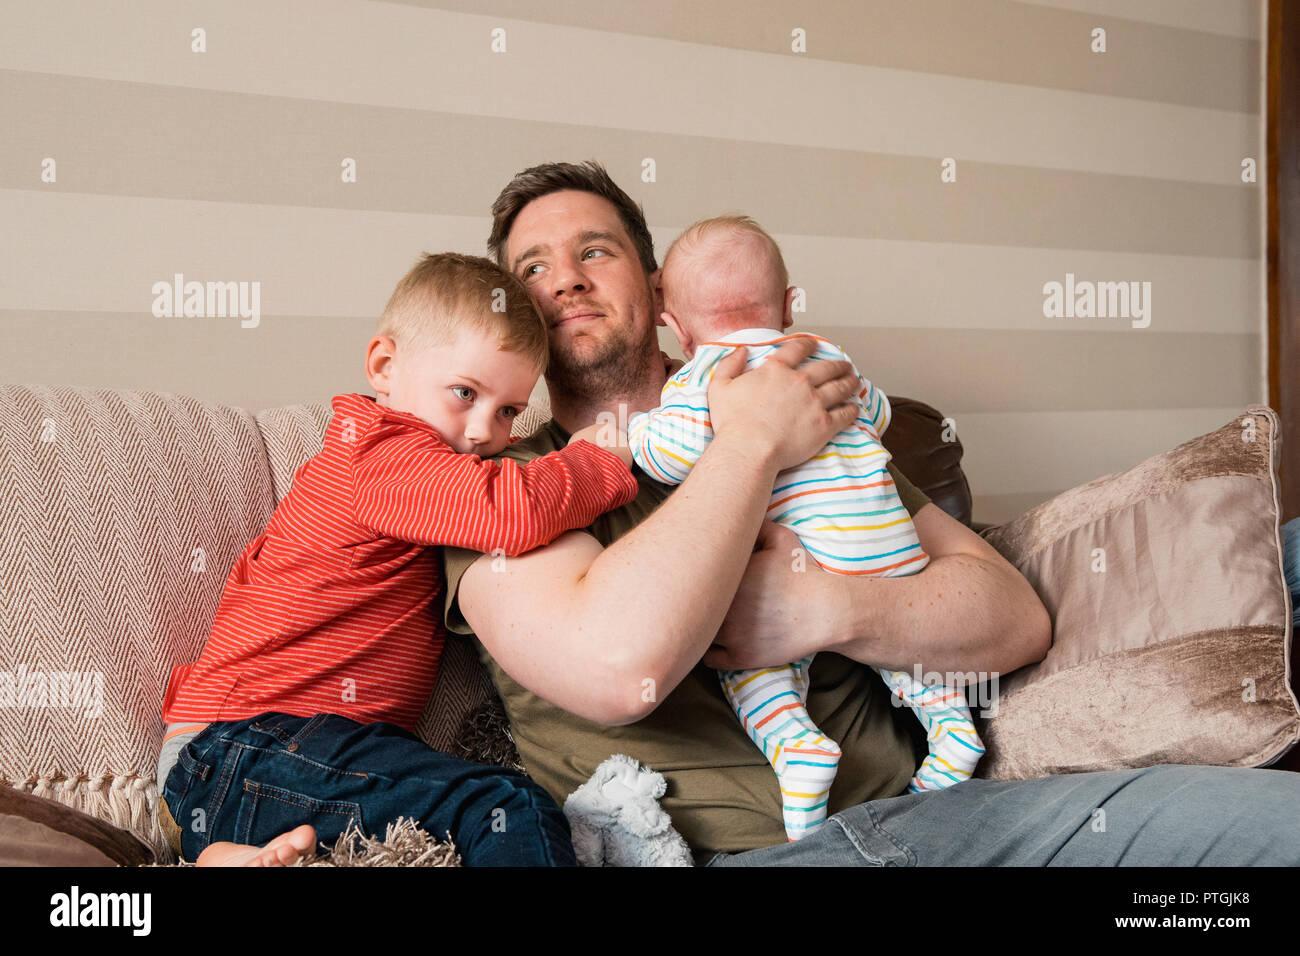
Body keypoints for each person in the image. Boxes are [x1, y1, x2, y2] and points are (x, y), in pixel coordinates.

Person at [438, 159, 1300, 866]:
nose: (568, 282)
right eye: (533, 269)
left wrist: (830, 607)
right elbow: (620, 668)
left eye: (595, 250)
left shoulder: (821, 428)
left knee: (1272, 829)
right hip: (749, 857)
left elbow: (1012, 620)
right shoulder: (486, 483)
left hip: (957, 818)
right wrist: (750, 443)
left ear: (658, 290)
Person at [155, 252, 642, 866]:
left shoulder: (402, 459)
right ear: (384, 366)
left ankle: (225, 856)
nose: (481, 431)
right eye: (465, 393)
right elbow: (505, 510)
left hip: (238, 777)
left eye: (509, 411)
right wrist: (596, 461)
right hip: (249, 747)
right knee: (503, 805)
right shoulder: (385, 452)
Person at [626, 215, 985, 842]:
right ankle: (953, 731)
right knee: (908, 659)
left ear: (676, 327)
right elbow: (875, 410)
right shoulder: (826, 356)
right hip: (884, 542)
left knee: (754, 664)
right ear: (790, 305)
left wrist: (633, 433)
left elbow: (674, 454)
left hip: (798, 557)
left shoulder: (705, 377)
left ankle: (796, 748)